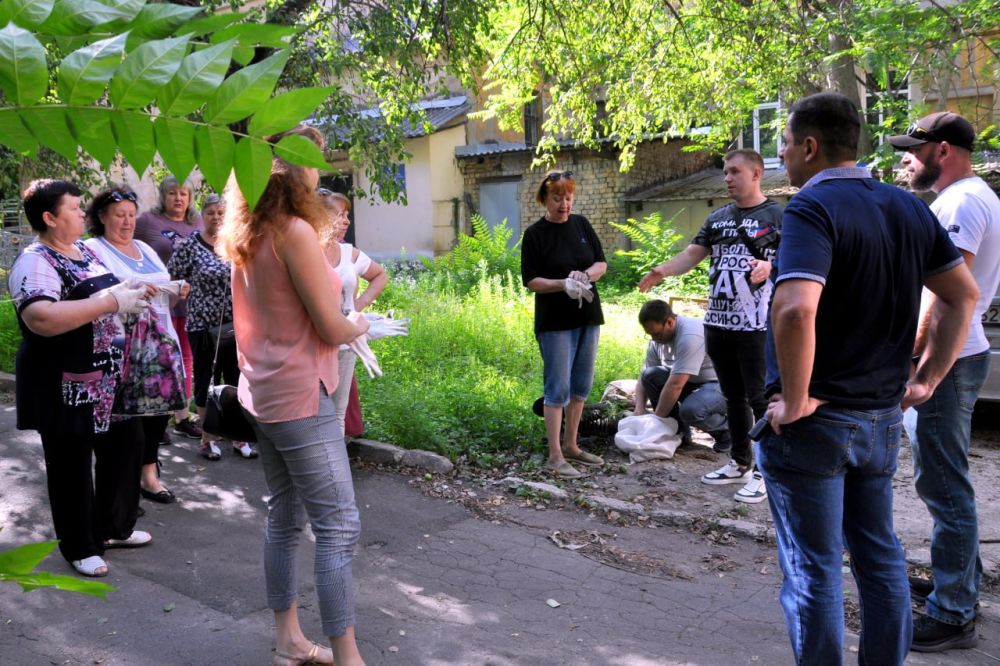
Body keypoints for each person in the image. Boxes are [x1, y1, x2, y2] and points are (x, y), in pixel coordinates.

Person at [761, 92, 977, 665]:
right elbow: (964, 296)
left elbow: (794, 309)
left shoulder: (811, 208)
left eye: (784, 143)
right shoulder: (908, 208)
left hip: (816, 422)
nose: (783, 155)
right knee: (880, 558)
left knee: (815, 567)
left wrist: (795, 398)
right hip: (881, 419)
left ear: (810, 146)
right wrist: (928, 378)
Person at [216, 125, 369, 666]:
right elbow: (330, 328)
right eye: (316, 159)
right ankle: (349, 658)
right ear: (295, 166)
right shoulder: (295, 231)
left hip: (263, 391)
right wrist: (358, 321)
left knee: (284, 514)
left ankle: (288, 640)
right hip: (304, 394)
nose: (320, 170)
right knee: (338, 524)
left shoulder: (247, 228)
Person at [889, 112, 1000, 651]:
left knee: (943, 484)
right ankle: (959, 583)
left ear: (945, 150)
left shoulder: (960, 202)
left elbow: (945, 291)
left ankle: (954, 612)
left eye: (914, 148)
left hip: (946, 360)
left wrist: (914, 358)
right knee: (944, 479)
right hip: (957, 356)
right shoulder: (971, 197)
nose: (905, 158)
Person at [9, 179, 153, 577]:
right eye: (73, 208)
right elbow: (40, 318)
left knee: (127, 446)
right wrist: (111, 301)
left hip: (107, 378)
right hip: (65, 381)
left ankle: (114, 527)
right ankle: (79, 545)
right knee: (70, 463)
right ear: (50, 218)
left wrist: (129, 292)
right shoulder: (36, 260)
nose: (82, 214)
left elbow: (104, 296)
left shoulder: (84, 252)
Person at [639, 149, 782, 503]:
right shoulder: (717, 218)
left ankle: (768, 473)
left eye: (735, 172)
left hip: (755, 327)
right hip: (717, 325)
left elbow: (799, 261)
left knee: (760, 399)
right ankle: (739, 461)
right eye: (725, 172)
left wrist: (770, 269)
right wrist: (662, 270)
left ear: (757, 174)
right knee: (733, 397)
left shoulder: (780, 215)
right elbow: (692, 254)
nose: (727, 178)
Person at [84, 186, 190, 505]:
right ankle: (121, 490)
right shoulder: (93, 248)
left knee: (156, 417)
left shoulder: (145, 247)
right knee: (121, 421)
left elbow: (163, 286)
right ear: (102, 217)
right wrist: (141, 288)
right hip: (119, 345)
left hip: (158, 343)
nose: (127, 221)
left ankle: (149, 477)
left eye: (131, 215)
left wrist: (176, 289)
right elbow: (96, 291)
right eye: (119, 215)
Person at [521, 170, 607, 479]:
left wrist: (586, 275)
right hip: (555, 323)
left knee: (581, 384)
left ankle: (572, 445)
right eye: (557, 198)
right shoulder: (535, 234)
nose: (564, 204)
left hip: (588, 317)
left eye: (568, 198)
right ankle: (554, 456)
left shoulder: (582, 225)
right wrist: (562, 283)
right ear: (545, 199)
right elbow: (531, 280)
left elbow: (601, 262)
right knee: (557, 387)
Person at [168, 194, 257, 460]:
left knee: (237, 379)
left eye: (221, 213)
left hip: (237, 323)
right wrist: (178, 294)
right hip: (202, 325)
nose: (216, 218)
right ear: (201, 216)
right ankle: (208, 439)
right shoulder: (190, 245)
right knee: (206, 379)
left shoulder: (237, 243)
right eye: (210, 213)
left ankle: (239, 438)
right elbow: (173, 275)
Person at [135, 175, 203, 440]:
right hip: (158, 303)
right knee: (156, 358)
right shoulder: (147, 222)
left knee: (185, 359)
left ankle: (182, 416)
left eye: (184, 194)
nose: (178, 199)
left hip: (191, 302)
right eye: (173, 193)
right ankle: (156, 419)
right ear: (163, 196)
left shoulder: (197, 222)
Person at [319, 189, 388, 435]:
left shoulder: (350, 253)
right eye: (340, 215)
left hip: (346, 343)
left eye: (347, 215)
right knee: (314, 409)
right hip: (314, 342)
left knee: (338, 411)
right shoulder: (305, 252)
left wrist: (358, 305)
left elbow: (380, 275)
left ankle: (337, 469)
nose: (347, 221)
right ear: (320, 216)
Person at [633, 300, 729, 449]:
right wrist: (639, 409)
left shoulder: (690, 335)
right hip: (691, 382)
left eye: (657, 334)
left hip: (720, 384)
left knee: (691, 411)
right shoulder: (656, 340)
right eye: (650, 334)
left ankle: (729, 433)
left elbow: (676, 385)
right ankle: (678, 434)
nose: (653, 339)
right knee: (650, 375)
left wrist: (655, 422)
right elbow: (643, 375)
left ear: (670, 322)